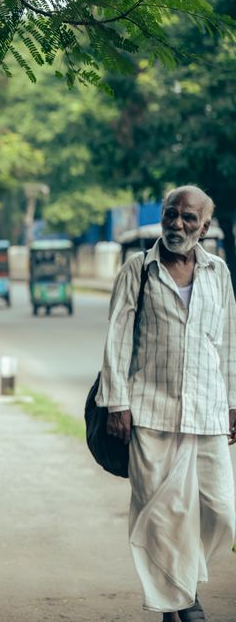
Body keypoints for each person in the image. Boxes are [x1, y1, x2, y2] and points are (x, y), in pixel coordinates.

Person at [99, 185, 236, 622]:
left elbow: (228, 343)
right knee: (164, 514)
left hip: (208, 411)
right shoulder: (137, 270)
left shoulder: (219, 273)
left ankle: (180, 587)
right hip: (151, 411)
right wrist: (117, 402)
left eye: (189, 218)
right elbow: (117, 339)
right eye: (171, 214)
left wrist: (233, 401)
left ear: (205, 226)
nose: (178, 224)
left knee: (220, 510)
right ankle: (184, 602)